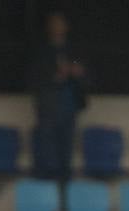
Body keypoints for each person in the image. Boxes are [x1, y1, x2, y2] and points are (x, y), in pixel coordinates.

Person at [29, 11, 87, 188]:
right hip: (48, 108)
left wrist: (74, 72)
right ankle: (46, 200)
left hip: (68, 108)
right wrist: (55, 76)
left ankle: (65, 202)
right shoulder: (41, 51)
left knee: (65, 155)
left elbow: (83, 73)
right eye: (54, 23)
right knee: (47, 154)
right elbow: (34, 77)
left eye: (60, 23)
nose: (57, 27)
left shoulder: (73, 50)